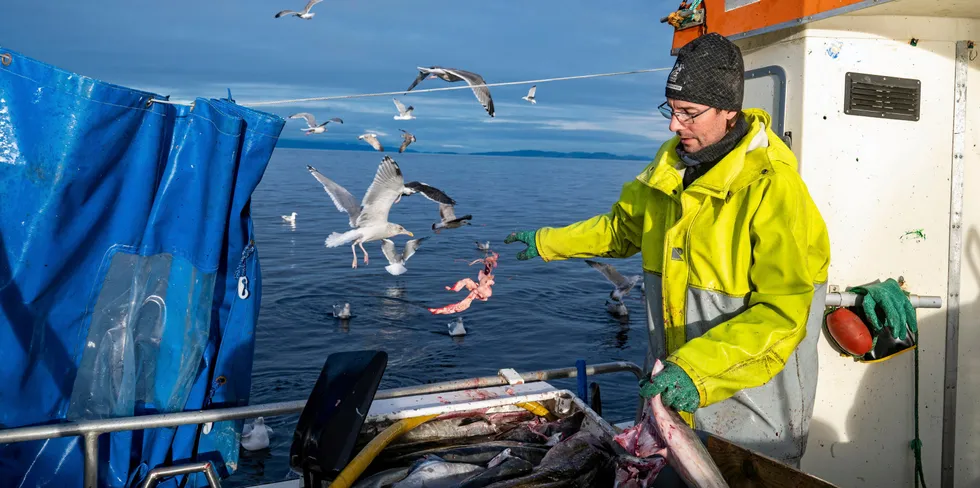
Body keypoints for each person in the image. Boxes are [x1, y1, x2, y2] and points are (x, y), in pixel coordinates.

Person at [504, 32, 833, 468]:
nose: (674, 125)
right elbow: (621, 230)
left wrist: (694, 370)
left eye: (689, 113)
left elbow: (783, 314)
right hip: (673, 399)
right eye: (671, 110)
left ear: (728, 111)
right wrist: (548, 242)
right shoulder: (671, 165)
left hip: (751, 412)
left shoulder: (774, 189)